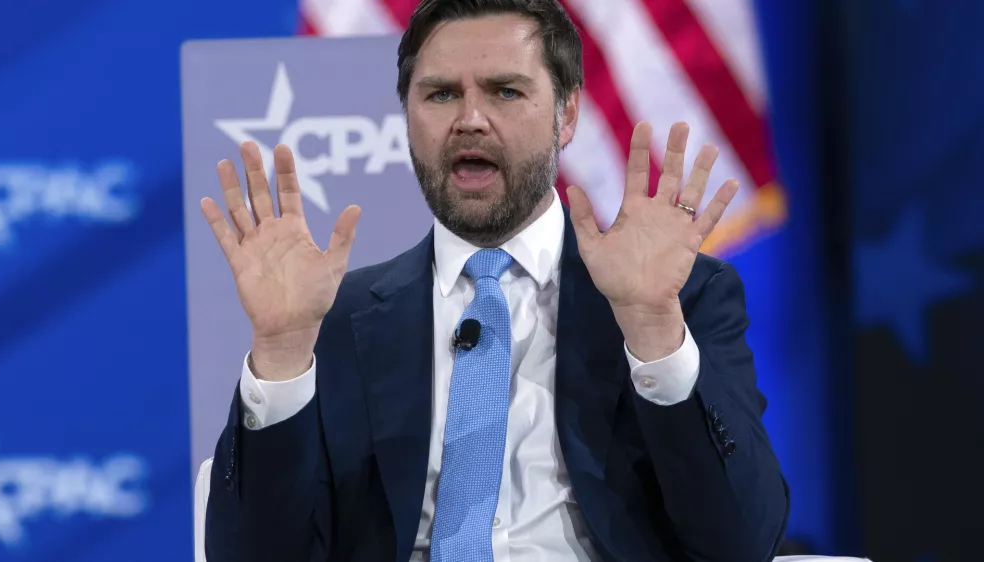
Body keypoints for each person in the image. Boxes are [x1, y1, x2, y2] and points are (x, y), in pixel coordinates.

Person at [200, 0, 790, 560]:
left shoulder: (680, 297)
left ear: (567, 115)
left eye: (506, 91)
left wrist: (652, 327)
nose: (469, 120)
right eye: (440, 94)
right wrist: (279, 351)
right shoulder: (331, 317)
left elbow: (741, 544)